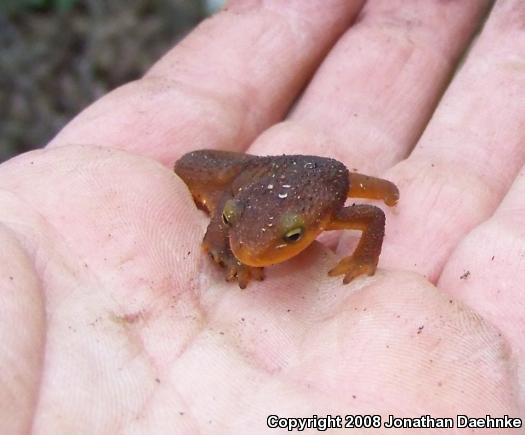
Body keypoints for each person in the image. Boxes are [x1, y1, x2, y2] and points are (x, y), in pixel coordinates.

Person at [2, 0, 524, 432]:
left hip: (318, 175)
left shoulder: (337, 209)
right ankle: (247, 201)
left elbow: (371, 214)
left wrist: (364, 258)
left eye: (291, 238)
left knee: (375, 190)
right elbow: (229, 219)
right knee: (201, 175)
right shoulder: (241, 208)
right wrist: (221, 242)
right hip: (262, 177)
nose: (251, 248)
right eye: (236, 227)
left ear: (318, 226)